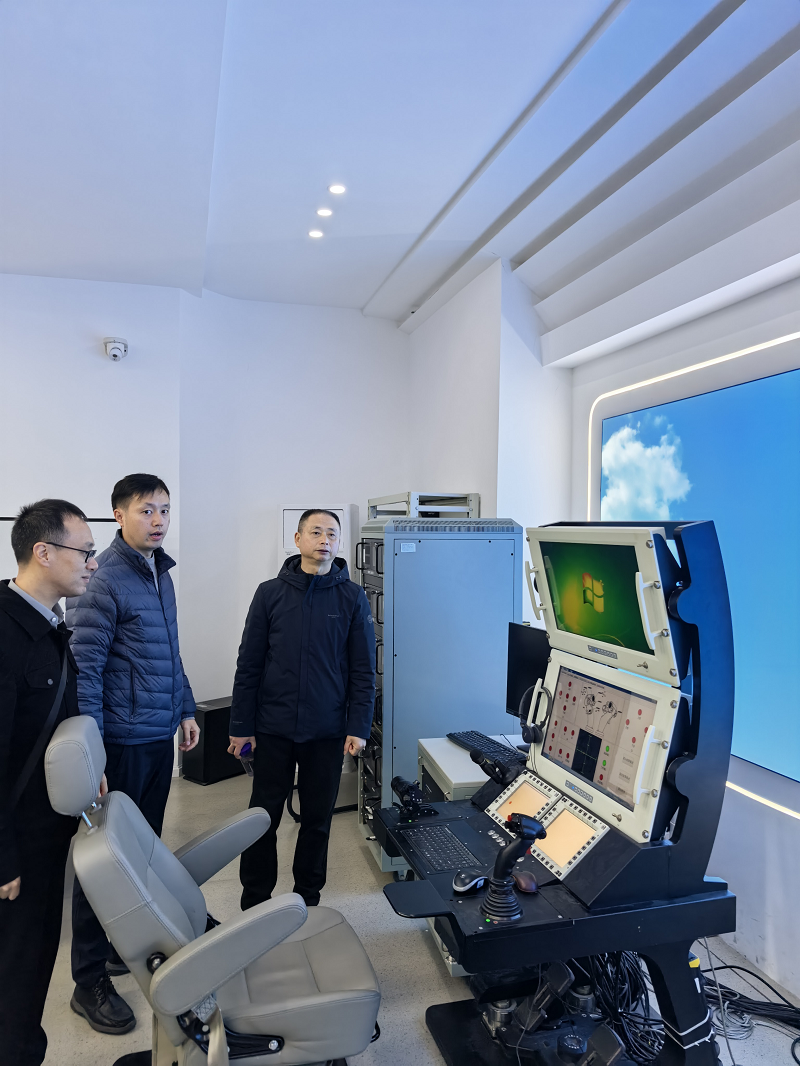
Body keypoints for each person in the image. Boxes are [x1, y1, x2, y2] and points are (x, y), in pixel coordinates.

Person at [66, 473, 199, 1034]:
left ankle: (121, 946)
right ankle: (87, 978)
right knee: (104, 861)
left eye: (165, 509)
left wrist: (185, 708)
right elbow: (85, 671)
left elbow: (170, 650)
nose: (159, 520)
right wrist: (92, 752)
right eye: (147, 510)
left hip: (155, 735)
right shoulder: (103, 579)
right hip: (119, 742)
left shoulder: (159, 574)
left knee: (142, 852)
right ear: (118, 515)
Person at [229, 509, 375, 910]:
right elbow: (249, 664)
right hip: (272, 728)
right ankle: (254, 902)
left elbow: (364, 670)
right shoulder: (269, 594)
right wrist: (240, 726)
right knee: (263, 818)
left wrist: (358, 726)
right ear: (297, 540)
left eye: (332, 534)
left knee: (317, 820)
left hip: (327, 731)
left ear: (339, 543)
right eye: (316, 532)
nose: (324, 540)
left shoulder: (352, 597)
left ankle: (307, 900)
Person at [0, 500, 102, 1066]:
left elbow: (59, 713)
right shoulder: (6, 634)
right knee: (14, 983)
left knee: (36, 963)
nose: (92, 562)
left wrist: (91, 766)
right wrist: (3, 858)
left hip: (46, 837)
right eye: (84, 551)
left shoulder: (48, 625)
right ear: (43, 552)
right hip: (15, 850)